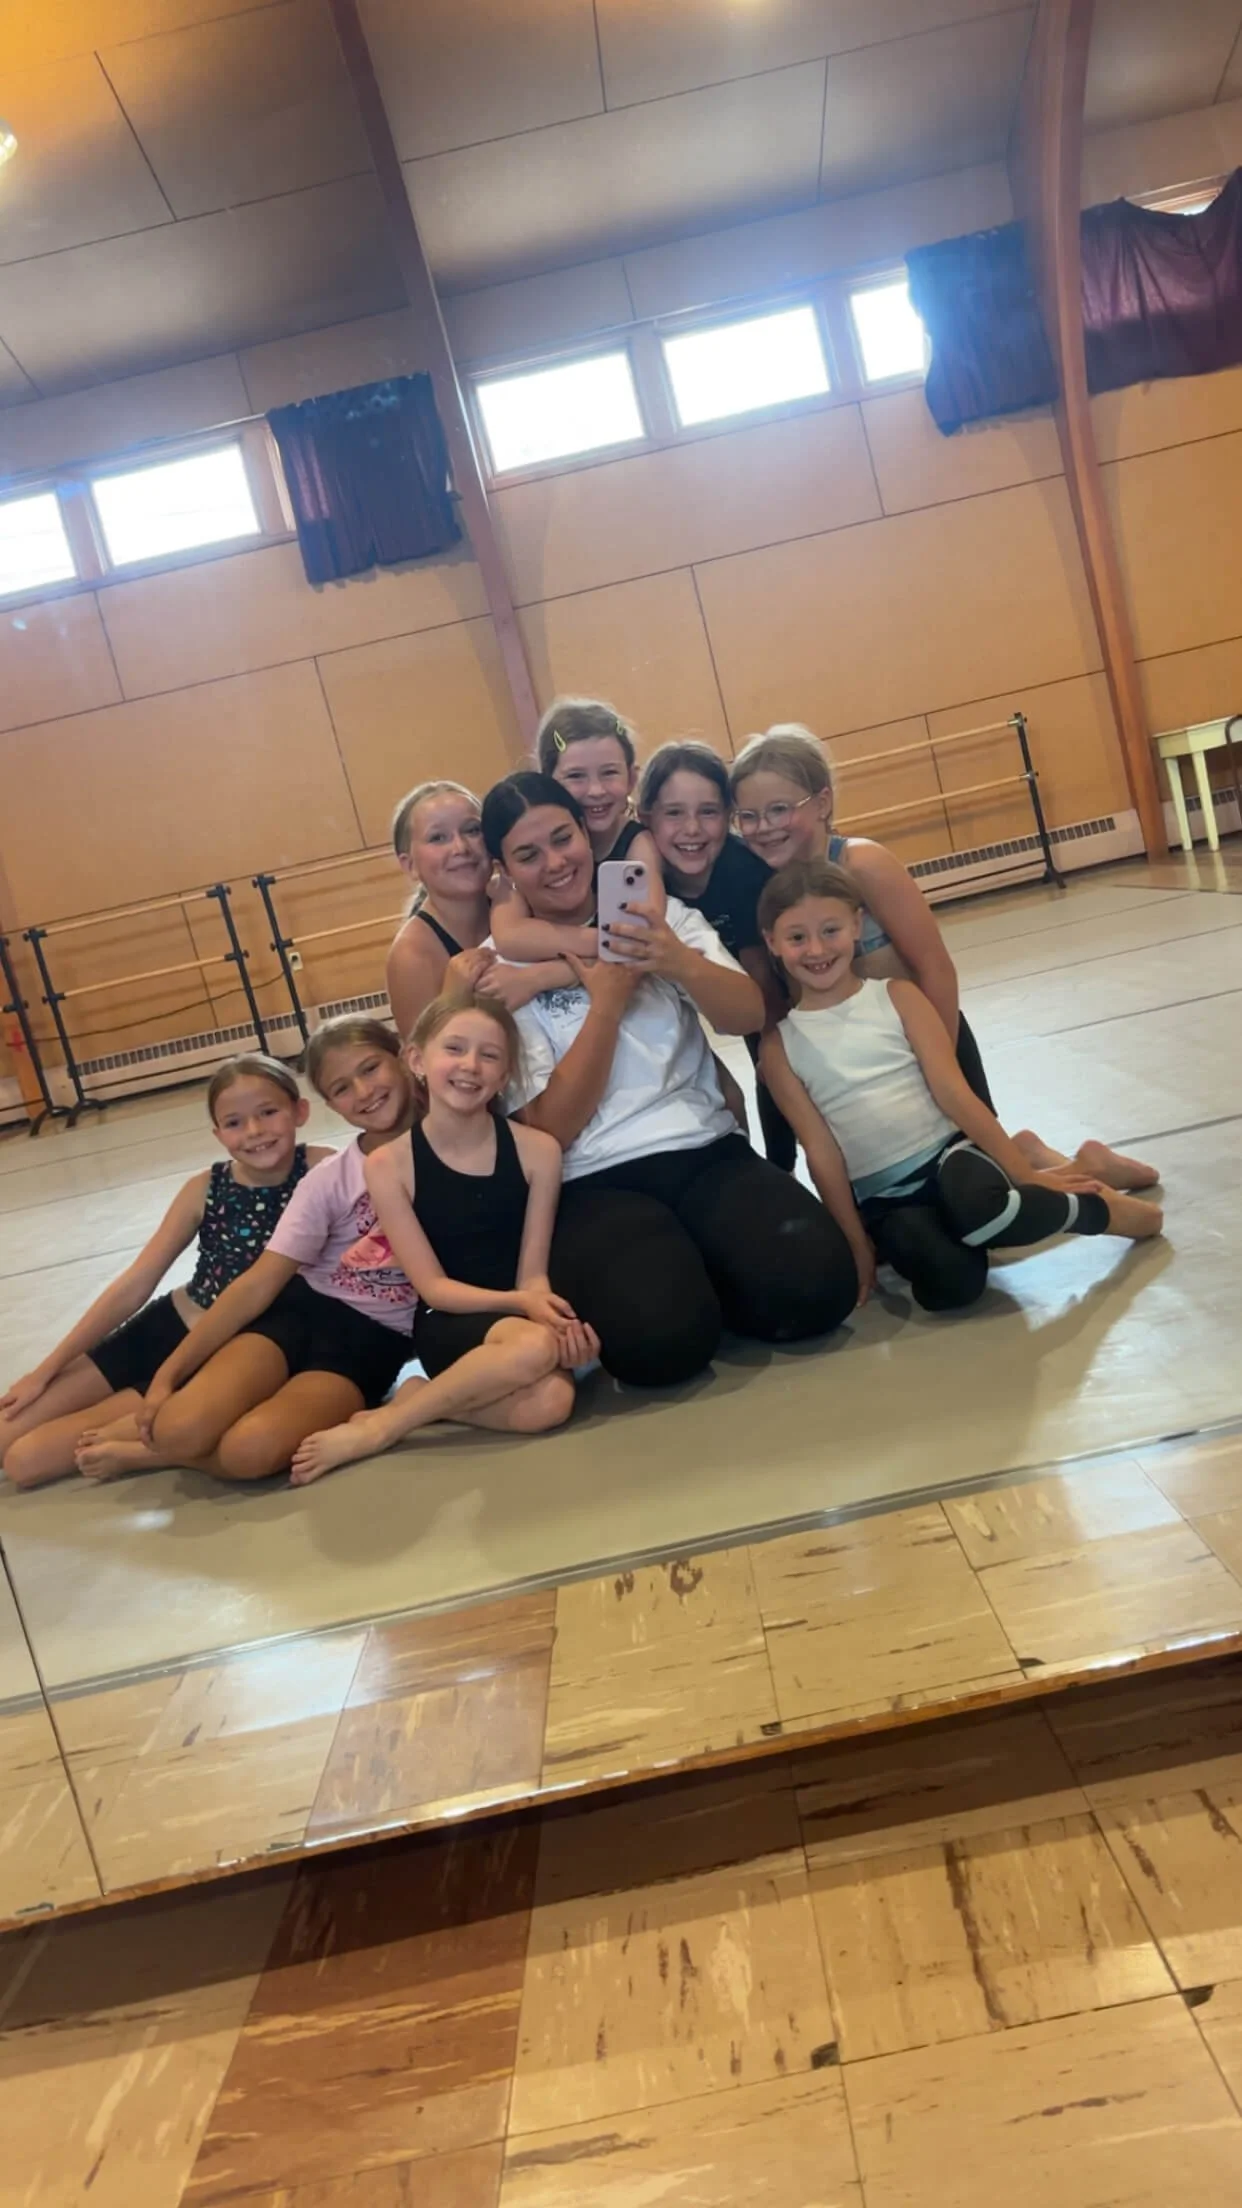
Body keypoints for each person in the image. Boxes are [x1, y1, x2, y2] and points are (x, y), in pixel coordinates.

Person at [481, 771, 860, 1388]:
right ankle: (687, 1283)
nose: (555, 863)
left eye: (563, 837)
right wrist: (605, 1003)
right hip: (593, 1180)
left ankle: (707, 1269)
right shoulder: (500, 975)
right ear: (504, 870)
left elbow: (748, 1013)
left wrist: (678, 962)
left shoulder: (658, 917)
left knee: (818, 1290)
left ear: (586, 833)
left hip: (702, 1149)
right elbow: (549, 1128)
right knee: (662, 1347)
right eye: (529, 854)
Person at [730, 722, 1157, 1193]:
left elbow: (935, 966)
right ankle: (1035, 1155)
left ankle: (1081, 1166)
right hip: (874, 1069)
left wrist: (941, 1069)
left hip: (931, 1048)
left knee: (985, 1200)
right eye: (748, 816)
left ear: (823, 802)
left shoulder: (862, 864)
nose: (764, 827)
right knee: (939, 1200)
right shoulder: (773, 893)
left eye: (779, 810)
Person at [758, 859, 1163, 1313]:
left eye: (830, 930)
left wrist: (1023, 1176)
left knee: (979, 1212)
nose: (815, 949)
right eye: (797, 938)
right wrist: (856, 1242)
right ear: (772, 943)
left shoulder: (897, 997)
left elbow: (954, 1092)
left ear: (857, 925)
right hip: (884, 1196)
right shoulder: (779, 1048)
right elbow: (822, 1152)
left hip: (950, 1156)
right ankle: (1044, 1174)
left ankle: (1098, 1210)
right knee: (951, 1286)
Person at [289, 992, 599, 1484]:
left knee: (554, 1402)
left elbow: (533, 1273)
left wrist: (553, 1322)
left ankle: (419, 1402)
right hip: (447, 1317)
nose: (470, 1066)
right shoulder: (389, 1166)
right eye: (454, 1049)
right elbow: (433, 1288)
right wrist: (527, 1310)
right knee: (534, 1350)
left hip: (517, 1318)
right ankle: (384, 1428)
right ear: (416, 1059)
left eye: (490, 1055)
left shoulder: (538, 1152)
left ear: (505, 1074)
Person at [0, 1056, 331, 1490]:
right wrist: (45, 1371)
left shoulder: (324, 1170)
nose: (254, 1132)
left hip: (222, 1351)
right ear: (217, 1133)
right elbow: (137, 1281)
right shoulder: (206, 1187)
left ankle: (159, 1445)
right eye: (234, 1122)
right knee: (6, 1431)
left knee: (26, 1461)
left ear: (299, 1111)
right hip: (168, 1325)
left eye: (268, 1113)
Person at [135, 1018, 421, 1483]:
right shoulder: (330, 1177)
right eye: (343, 1088)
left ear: (406, 1057)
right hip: (299, 1312)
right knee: (178, 1428)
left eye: (371, 1069)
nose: (364, 1092)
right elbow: (258, 1283)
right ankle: (166, 1447)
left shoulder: (457, 1151)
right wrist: (168, 1374)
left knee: (250, 1452)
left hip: (372, 1340)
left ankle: (149, 1455)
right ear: (329, 1105)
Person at [639, 739, 794, 1169]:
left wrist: (772, 1054)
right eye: (674, 813)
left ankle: (783, 1169)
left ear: (728, 817)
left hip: (759, 987)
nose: (692, 829)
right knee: (726, 1093)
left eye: (708, 812)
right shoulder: (641, 877)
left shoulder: (744, 872)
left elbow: (763, 991)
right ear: (644, 817)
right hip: (681, 991)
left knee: (777, 1069)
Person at [386, 777, 573, 1038]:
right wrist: (452, 999)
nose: (460, 847)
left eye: (472, 830)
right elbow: (421, 1067)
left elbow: (597, 959)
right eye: (438, 838)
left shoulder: (517, 896)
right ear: (410, 865)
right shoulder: (412, 954)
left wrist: (538, 978)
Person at [491, 697, 665, 965]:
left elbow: (640, 940)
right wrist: (601, 942)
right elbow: (510, 937)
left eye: (609, 773)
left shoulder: (637, 845)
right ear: (547, 783)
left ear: (631, 779)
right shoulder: (523, 858)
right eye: (575, 776)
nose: (595, 791)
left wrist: (542, 976)